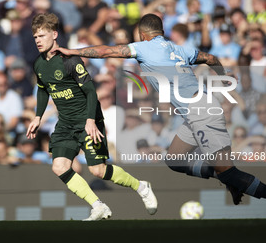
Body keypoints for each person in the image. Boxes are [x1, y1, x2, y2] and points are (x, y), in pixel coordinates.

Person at [54, 13, 266, 205]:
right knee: (174, 159)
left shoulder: (144, 47)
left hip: (202, 112)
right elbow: (210, 58)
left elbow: (107, 51)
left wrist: (71, 51)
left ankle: (232, 179)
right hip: (196, 112)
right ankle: (226, 177)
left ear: (142, 34)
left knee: (229, 172)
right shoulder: (179, 48)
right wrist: (222, 74)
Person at [26, 13, 157, 221]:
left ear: (54, 34)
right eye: (35, 38)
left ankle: (141, 186)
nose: (38, 41)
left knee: (98, 170)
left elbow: (90, 92)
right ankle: (98, 206)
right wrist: (37, 117)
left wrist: (90, 121)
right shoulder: (39, 64)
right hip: (66, 123)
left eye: (42, 36)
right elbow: (43, 89)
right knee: (59, 166)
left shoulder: (70, 60)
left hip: (88, 119)